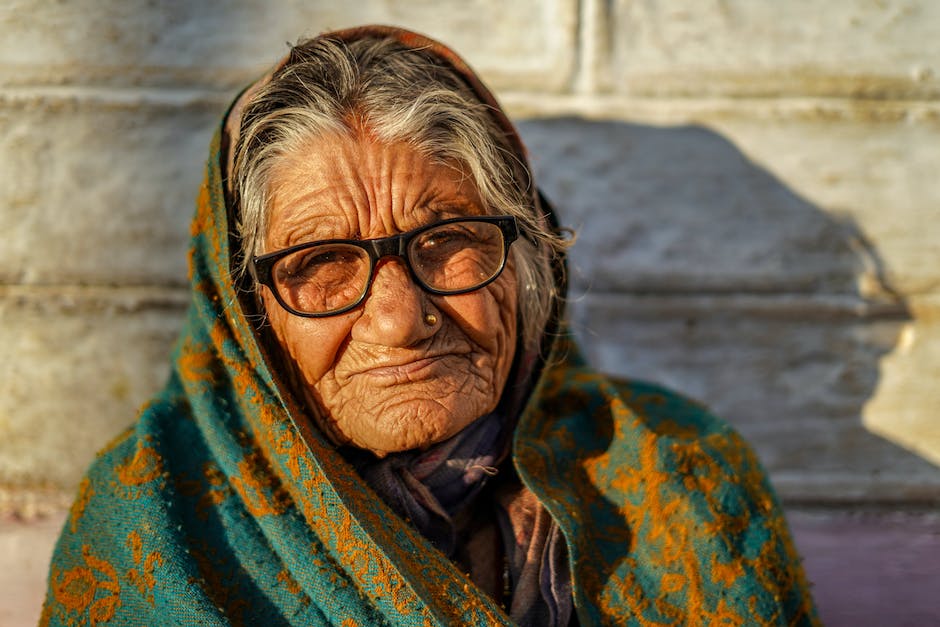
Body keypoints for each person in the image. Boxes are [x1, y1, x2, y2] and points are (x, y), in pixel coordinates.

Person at [41, 25, 819, 626]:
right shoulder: (161, 528)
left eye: (446, 239)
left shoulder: (682, 479)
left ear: (524, 256)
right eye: (321, 262)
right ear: (246, 311)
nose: (398, 317)